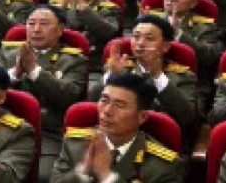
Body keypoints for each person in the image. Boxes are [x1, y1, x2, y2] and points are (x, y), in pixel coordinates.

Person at [1, 5, 88, 183]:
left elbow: (69, 96)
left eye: (44, 24)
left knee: (43, 176)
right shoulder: (10, 53)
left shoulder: (73, 60)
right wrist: (14, 75)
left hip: (47, 133)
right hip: (3, 128)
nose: (36, 29)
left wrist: (34, 71)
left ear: (60, 30)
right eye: (31, 23)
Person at [49, 73, 185, 182]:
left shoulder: (162, 166)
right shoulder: (75, 144)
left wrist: (107, 176)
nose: (107, 111)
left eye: (119, 105)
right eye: (104, 100)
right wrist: (82, 172)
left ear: (142, 117)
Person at [90, 15, 199, 139]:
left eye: (149, 38)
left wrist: (157, 76)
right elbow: (91, 103)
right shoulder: (120, 67)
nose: (140, 43)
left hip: (159, 140)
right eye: (136, 37)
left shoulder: (183, 76)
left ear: (165, 46)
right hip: (113, 135)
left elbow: (186, 117)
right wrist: (111, 75)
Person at [49, 0, 121, 67]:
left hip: (92, 64)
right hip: (58, 62)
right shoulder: (58, 3)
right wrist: (62, 8)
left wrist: (80, 3)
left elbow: (109, 33)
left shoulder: (108, 7)